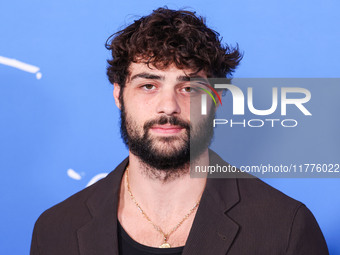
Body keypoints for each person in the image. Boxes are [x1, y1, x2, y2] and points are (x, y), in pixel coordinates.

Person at [30, 7, 329, 255]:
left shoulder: (286, 229)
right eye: (149, 85)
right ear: (119, 95)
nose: (168, 106)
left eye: (189, 88)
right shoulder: (57, 229)